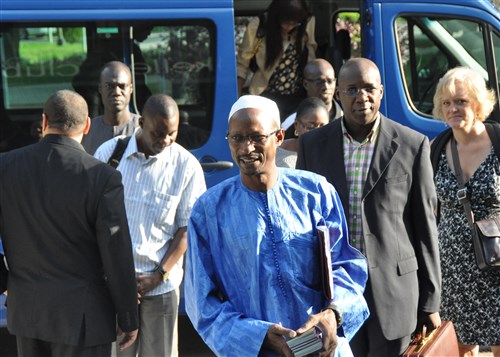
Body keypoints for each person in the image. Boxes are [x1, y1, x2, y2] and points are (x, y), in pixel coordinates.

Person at [184, 95, 369, 357]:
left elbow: (346, 266)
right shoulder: (208, 211)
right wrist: (258, 336)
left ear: (280, 137)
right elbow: (201, 303)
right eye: (237, 138)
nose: (247, 148)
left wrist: (334, 314)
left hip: (322, 348)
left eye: (257, 137)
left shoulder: (315, 192)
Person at [296, 58, 442, 356]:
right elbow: (304, 225)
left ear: (381, 91)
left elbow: (426, 228)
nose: (361, 97)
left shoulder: (412, 145)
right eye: (352, 89)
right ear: (338, 94)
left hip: (395, 292)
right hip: (334, 291)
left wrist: (430, 301)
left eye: (368, 89)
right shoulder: (312, 145)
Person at [0, 90, 138, 356]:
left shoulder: (5, 167)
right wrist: (128, 315)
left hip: (27, 313)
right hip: (85, 318)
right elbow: (116, 251)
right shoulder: (101, 177)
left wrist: (7, 281)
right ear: (87, 125)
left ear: (43, 121)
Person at [94, 93, 207, 357]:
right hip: (115, 287)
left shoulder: (186, 165)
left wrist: (159, 275)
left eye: (172, 134)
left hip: (161, 286)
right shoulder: (109, 154)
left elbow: (187, 229)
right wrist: (113, 274)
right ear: (142, 123)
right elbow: (92, 219)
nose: (165, 141)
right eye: (158, 133)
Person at [430, 67, 500, 357]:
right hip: (453, 267)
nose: (453, 109)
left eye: (461, 101)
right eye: (446, 103)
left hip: (496, 261)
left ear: (477, 103)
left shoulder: (498, 141)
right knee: (458, 345)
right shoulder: (436, 148)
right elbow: (430, 208)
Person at [237, 0, 317, 119]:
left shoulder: (307, 22)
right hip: (264, 94)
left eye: (294, 23)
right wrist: (237, 101)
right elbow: (242, 64)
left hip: (298, 95)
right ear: (276, 16)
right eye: (286, 22)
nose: (290, 27)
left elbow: (311, 55)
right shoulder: (258, 25)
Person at [82, 61, 141, 155]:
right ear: (100, 88)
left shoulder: (144, 129)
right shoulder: (86, 132)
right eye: (109, 86)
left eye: (122, 86)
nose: (116, 92)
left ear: (131, 88)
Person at [281, 58, 343, 136]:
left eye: (330, 81)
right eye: (319, 82)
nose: (326, 87)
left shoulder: (345, 118)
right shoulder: (292, 121)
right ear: (306, 84)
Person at [276, 97, 329, 168]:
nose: (317, 131)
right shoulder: (275, 154)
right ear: (296, 124)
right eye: (311, 126)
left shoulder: (333, 154)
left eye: (323, 126)